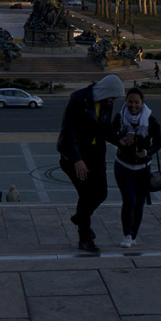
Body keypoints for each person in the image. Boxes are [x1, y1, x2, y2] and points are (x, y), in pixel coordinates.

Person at [57, 73, 124, 253]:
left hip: (96, 154)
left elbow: (103, 130)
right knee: (86, 195)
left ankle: (80, 217)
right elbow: (68, 131)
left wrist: (120, 141)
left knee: (101, 193)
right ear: (105, 91)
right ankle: (84, 238)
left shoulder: (106, 103)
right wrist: (77, 160)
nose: (113, 100)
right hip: (75, 156)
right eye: (112, 96)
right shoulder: (78, 99)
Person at [113, 87, 161, 249]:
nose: (133, 105)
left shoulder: (151, 121)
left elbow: (158, 143)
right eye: (130, 102)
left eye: (136, 102)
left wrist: (146, 151)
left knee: (139, 203)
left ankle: (134, 235)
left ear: (142, 103)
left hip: (143, 168)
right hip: (123, 166)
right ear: (125, 102)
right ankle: (127, 235)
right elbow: (108, 133)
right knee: (129, 200)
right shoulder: (120, 118)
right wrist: (119, 140)